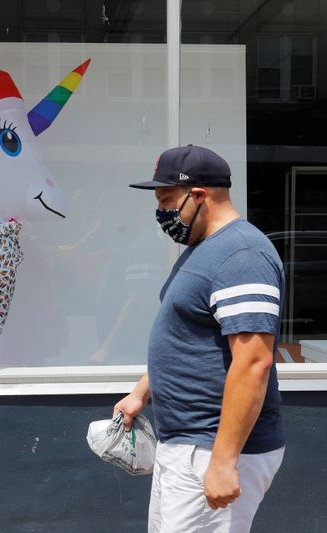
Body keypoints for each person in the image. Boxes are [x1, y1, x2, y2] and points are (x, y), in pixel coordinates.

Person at [115, 145, 285, 532]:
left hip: (210, 446)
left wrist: (223, 462)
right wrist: (143, 391)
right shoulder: (204, 248)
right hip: (186, 443)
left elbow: (254, 362)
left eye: (166, 200)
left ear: (199, 195)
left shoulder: (242, 255)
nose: (161, 212)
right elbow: (187, 335)